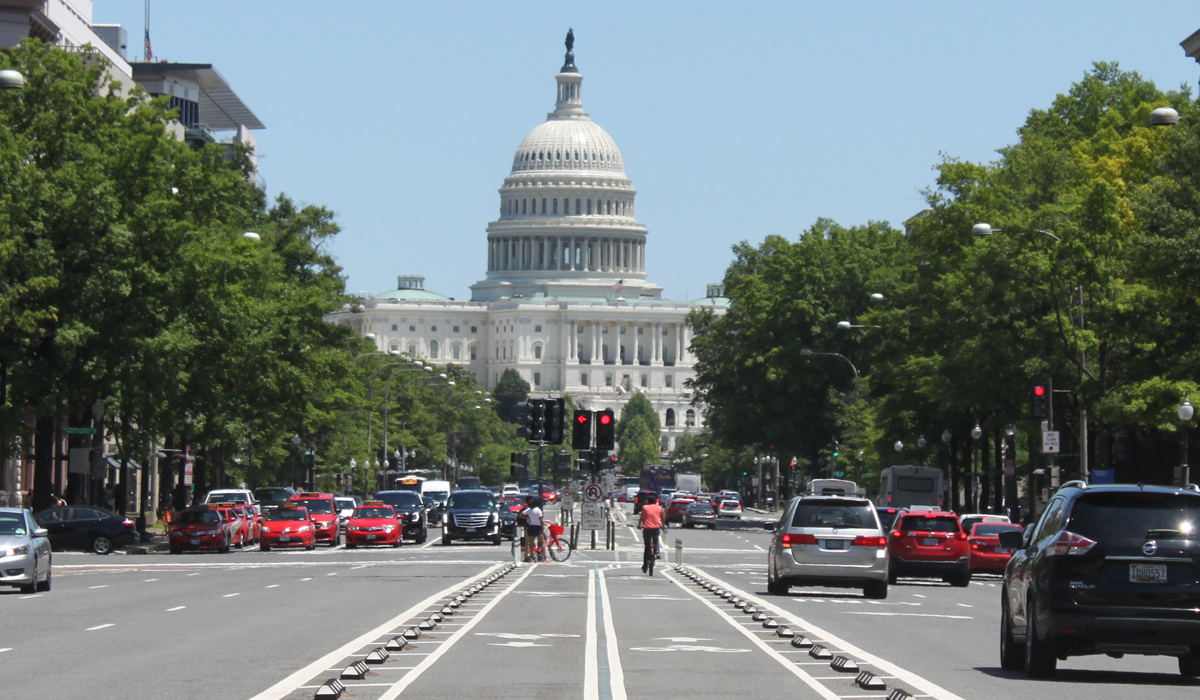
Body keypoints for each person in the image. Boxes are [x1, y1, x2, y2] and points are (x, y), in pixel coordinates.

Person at [638, 494, 663, 574]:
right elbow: (662, 517)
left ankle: (645, 565)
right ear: (655, 501)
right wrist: (663, 525)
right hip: (656, 528)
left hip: (647, 528)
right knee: (656, 539)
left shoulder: (645, 507)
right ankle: (657, 551)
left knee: (647, 547)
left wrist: (639, 525)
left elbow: (642, 518)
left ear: (648, 501)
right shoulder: (659, 508)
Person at [522, 497, 545, 562]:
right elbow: (541, 520)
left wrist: (527, 517)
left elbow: (520, 515)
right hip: (537, 527)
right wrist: (542, 527)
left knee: (531, 543)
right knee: (543, 542)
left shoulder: (528, 510)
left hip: (531, 526)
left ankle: (532, 557)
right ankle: (544, 556)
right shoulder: (538, 510)